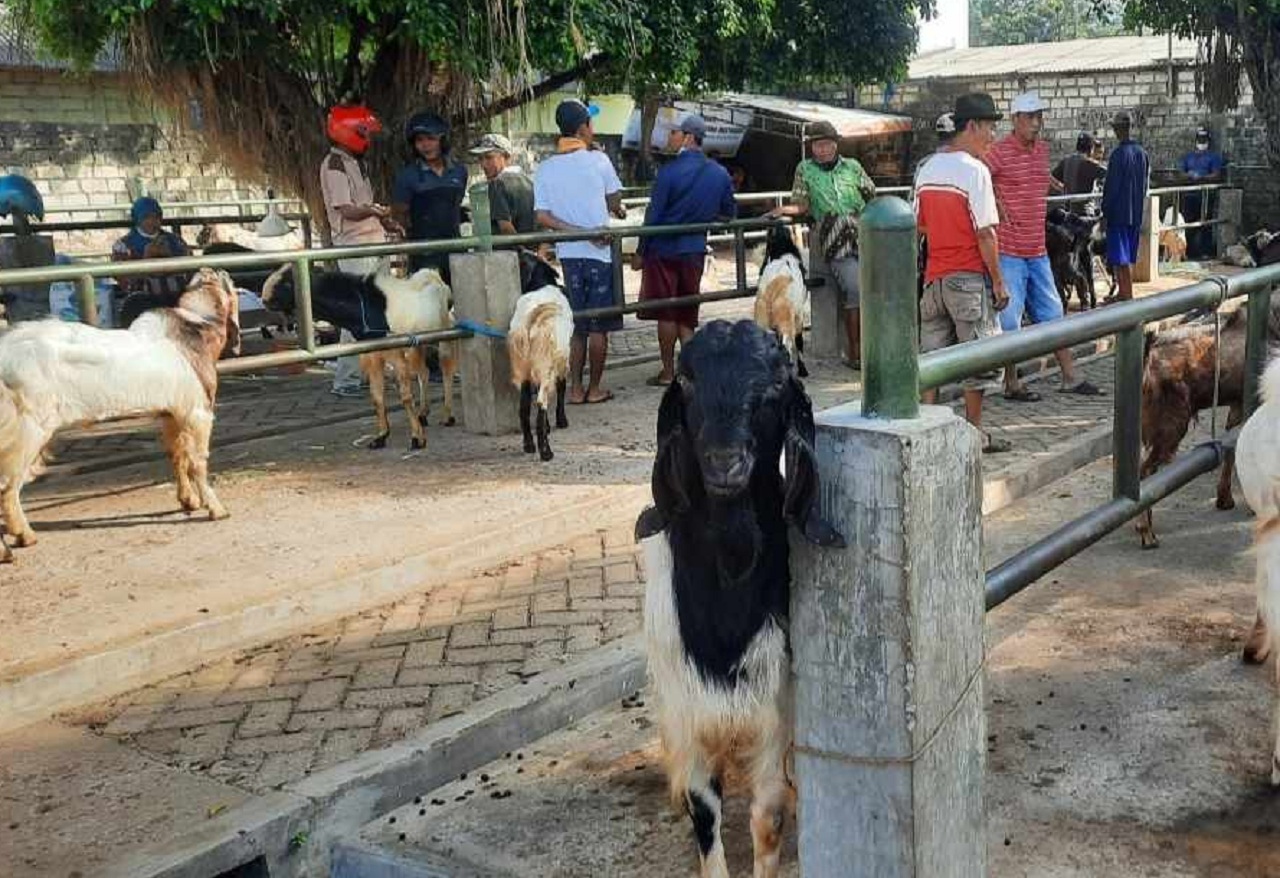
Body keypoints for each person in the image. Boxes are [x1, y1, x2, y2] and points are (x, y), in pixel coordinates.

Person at [985, 92, 1102, 402]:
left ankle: (1070, 375)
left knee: (1053, 314)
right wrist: (993, 197)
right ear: (1015, 120)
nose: (1036, 123)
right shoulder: (998, 152)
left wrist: (1055, 185)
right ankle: (1011, 382)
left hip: (1036, 249)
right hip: (1009, 249)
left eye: (1039, 116)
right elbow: (979, 173)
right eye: (1030, 117)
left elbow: (1038, 176)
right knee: (1009, 320)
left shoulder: (1041, 151)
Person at [914, 93, 1011, 454]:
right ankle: (974, 434)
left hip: (933, 280)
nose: (992, 137)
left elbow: (920, 225)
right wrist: (999, 282)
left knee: (933, 361)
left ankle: (925, 434)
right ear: (970, 127)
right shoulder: (975, 171)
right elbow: (986, 233)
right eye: (989, 128)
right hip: (968, 278)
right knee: (978, 360)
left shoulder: (928, 169)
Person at [534, 99, 628, 405]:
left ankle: (574, 389)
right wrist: (598, 224)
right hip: (599, 254)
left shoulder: (545, 167)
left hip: (569, 255)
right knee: (599, 326)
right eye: (591, 123)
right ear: (583, 127)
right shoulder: (599, 161)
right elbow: (615, 202)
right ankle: (595, 388)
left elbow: (543, 216)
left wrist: (573, 232)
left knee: (577, 325)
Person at [633, 115, 737, 386]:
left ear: (688, 137)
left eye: (674, 133)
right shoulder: (719, 173)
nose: (670, 138)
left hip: (663, 251)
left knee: (666, 312)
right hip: (694, 250)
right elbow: (729, 214)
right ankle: (689, 372)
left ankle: (668, 372)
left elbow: (653, 216)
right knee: (687, 312)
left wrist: (640, 251)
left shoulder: (668, 172)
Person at [767, 120, 875, 369]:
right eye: (818, 145)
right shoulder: (805, 169)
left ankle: (866, 347)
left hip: (861, 232)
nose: (823, 149)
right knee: (854, 287)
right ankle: (855, 353)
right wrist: (783, 209)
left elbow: (870, 194)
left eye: (827, 144)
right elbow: (802, 204)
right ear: (811, 147)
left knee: (869, 287)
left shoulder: (853, 167)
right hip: (832, 236)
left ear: (836, 145)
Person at [320, 103, 402, 397]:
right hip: (356, 246)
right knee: (357, 313)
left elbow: (363, 210)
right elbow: (348, 210)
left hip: (372, 243)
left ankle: (372, 372)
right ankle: (347, 380)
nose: (368, 138)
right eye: (364, 131)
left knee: (376, 310)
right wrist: (374, 212)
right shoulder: (336, 165)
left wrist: (383, 221)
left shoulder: (355, 162)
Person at [392, 111, 468, 280]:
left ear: (443, 140)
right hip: (423, 254)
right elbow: (399, 215)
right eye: (419, 140)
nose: (425, 145)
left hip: (456, 250)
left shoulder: (459, 171)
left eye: (431, 138)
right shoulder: (407, 176)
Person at [1101, 111, 1150, 303]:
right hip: (1136, 212)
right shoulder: (1142, 154)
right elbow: (1145, 185)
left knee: (1120, 258)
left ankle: (1127, 295)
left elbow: (1111, 188)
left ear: (1118, 129)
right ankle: (1124, 293)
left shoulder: (1118, 155)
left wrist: (1105, 212)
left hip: (1119, 214)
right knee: (1127, 256)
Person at [111, 197, 191, 296]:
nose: (152, 221)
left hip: (177, 297)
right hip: (142, 301)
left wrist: (171, 257)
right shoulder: (123, 245)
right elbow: (124, 281)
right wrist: (146, 259)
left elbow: (190, 271)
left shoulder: (175, 241)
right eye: (146, 217)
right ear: (137, 219)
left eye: (156, 216)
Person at [469, 132, 536, 237]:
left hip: (508, 251)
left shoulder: (497, 185)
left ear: (506, 157)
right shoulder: (529, 183)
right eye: (480, 159)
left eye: (489, 157)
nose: (483, 164)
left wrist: (521, 250)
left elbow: (505, 228)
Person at [1179, 126, 1227, 259]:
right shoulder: (1188, 157)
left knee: (1205, 224)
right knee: (1188, 224)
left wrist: (1201, 177)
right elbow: (1181, 173)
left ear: (1208, 140)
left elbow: (1217, 175)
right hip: (1189, 195)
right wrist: (1190, 175)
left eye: (1204, 139)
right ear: (1196, 140)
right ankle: (1188, 251)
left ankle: (1205, 251)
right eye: (1199, 138)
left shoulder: (1213, 157)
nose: (1201, 141)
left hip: (1206, 195)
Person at [1053, 132, 1107, 215]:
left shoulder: (1066, 161)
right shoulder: (1089, 164)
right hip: (1086, 213)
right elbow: (1110, 174)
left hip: (1068, 214)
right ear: (1091, 149)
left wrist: (1062, 189)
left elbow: (1052, 178)